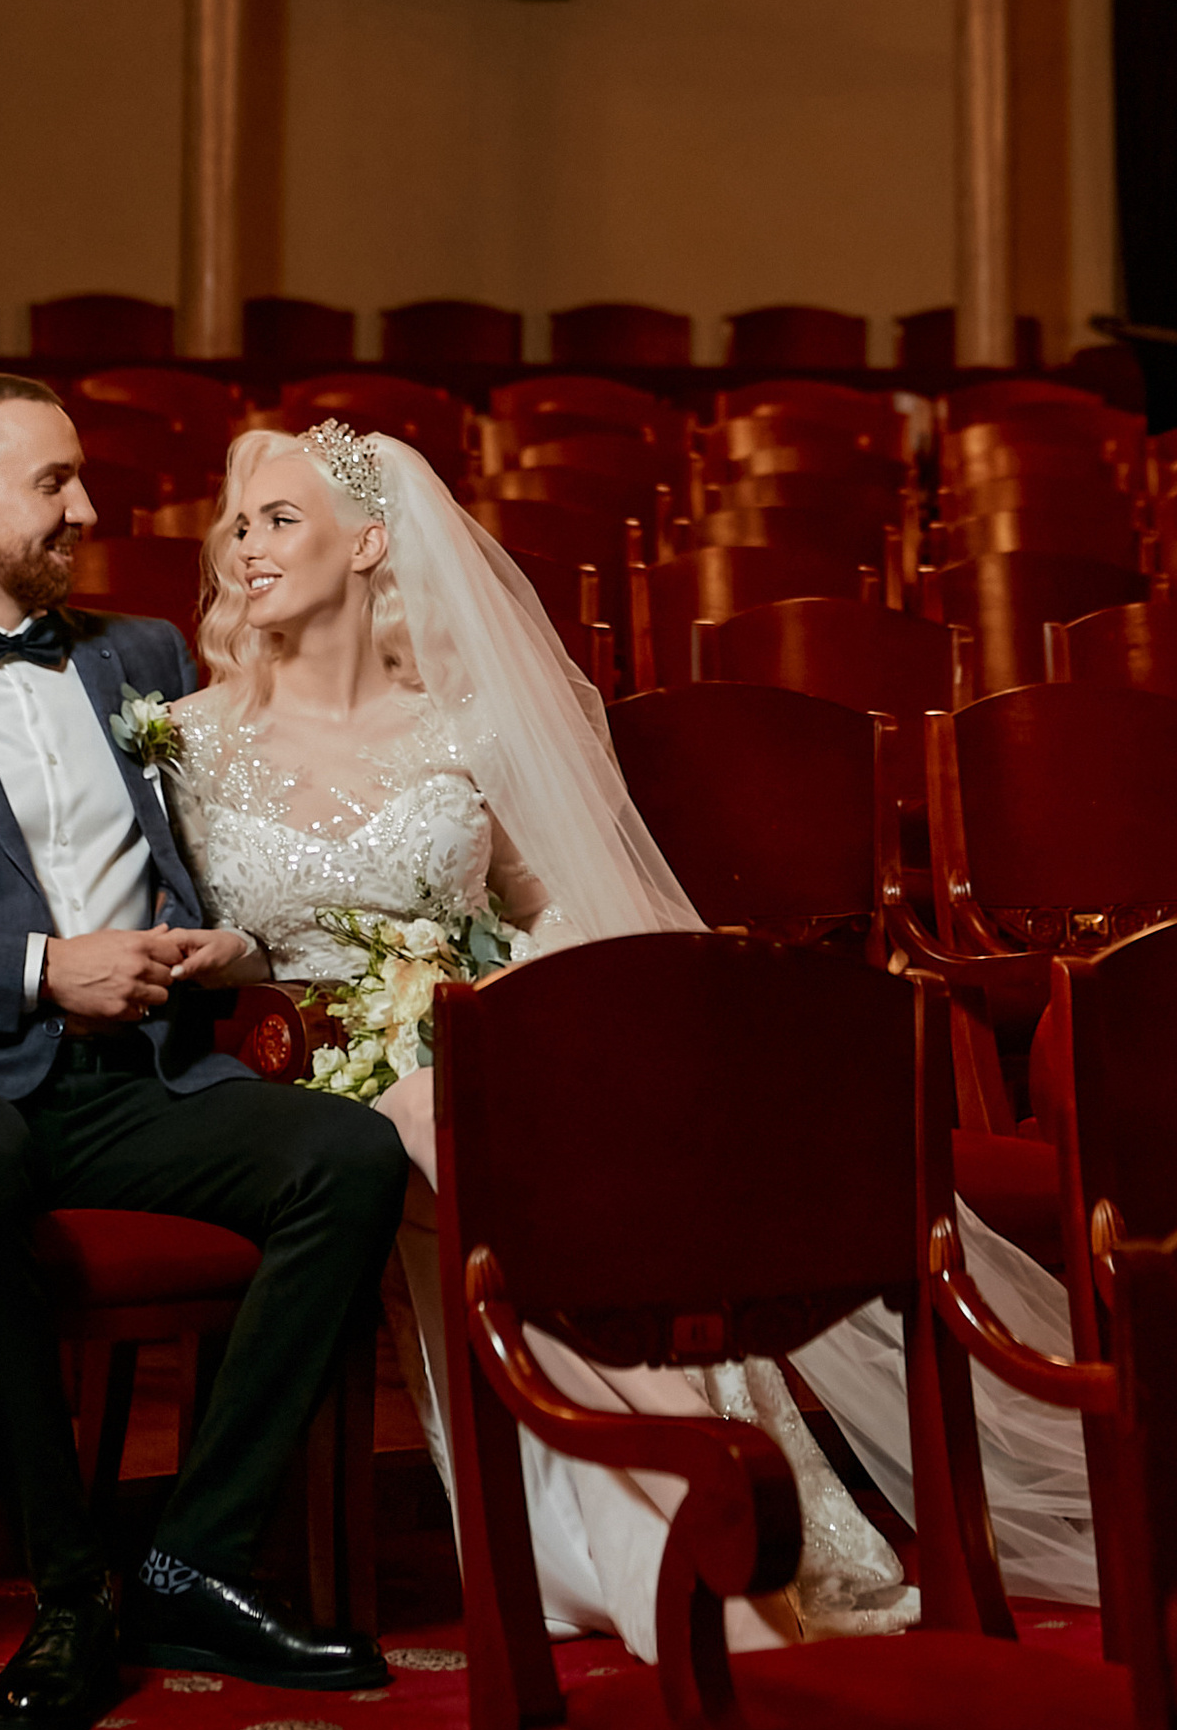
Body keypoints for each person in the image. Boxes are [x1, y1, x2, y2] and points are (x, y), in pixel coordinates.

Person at [167, 419, 1097, 1659]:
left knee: (524, 1137)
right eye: (238, 525)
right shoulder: (189, 741)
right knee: (429, 1119)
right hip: (297, 1077)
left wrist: (526, 1013)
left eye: (281, 519)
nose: (247, 548)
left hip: (481, 1052)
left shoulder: (461, 731)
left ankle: (694, 1528)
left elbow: (552, 906)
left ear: (371, 541)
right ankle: (712, 1475)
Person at [0, 373, 409, 1730]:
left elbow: (261, 823)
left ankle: (193, 1558)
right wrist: (42, 970)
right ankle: (70, 1588)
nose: (89, 507)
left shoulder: (145, 657)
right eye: (55, 482)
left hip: (142, 1081)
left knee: (346, 1154)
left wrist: (208, 945)